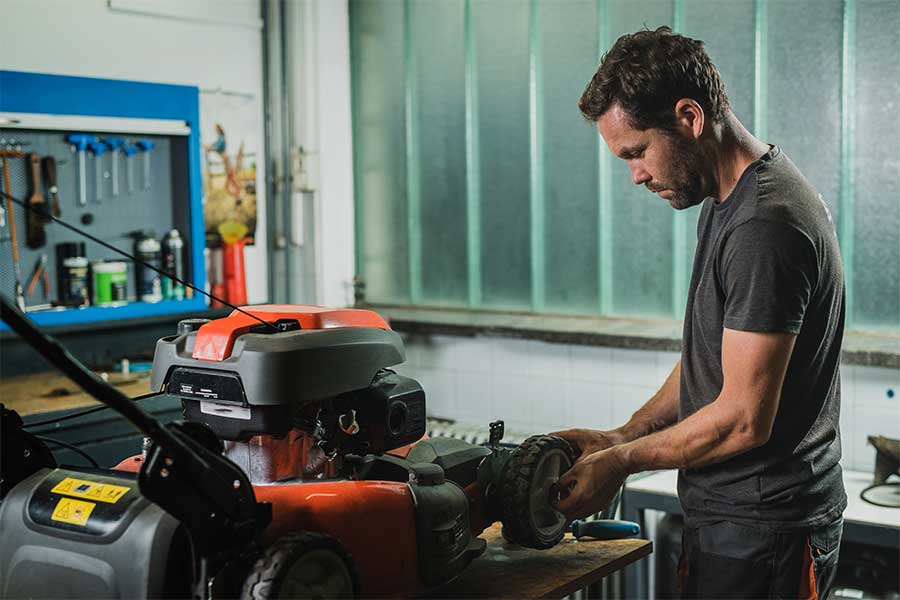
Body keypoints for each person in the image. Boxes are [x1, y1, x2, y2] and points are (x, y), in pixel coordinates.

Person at [551, 26, 846, 599]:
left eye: (637, 152)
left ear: (690, 117)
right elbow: (707, 363)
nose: (635, 175)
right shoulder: (727, 199)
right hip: (738, 523)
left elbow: (741, 417)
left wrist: (622, 462)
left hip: (766, 535)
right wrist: (620, 436)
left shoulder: (765, 224)